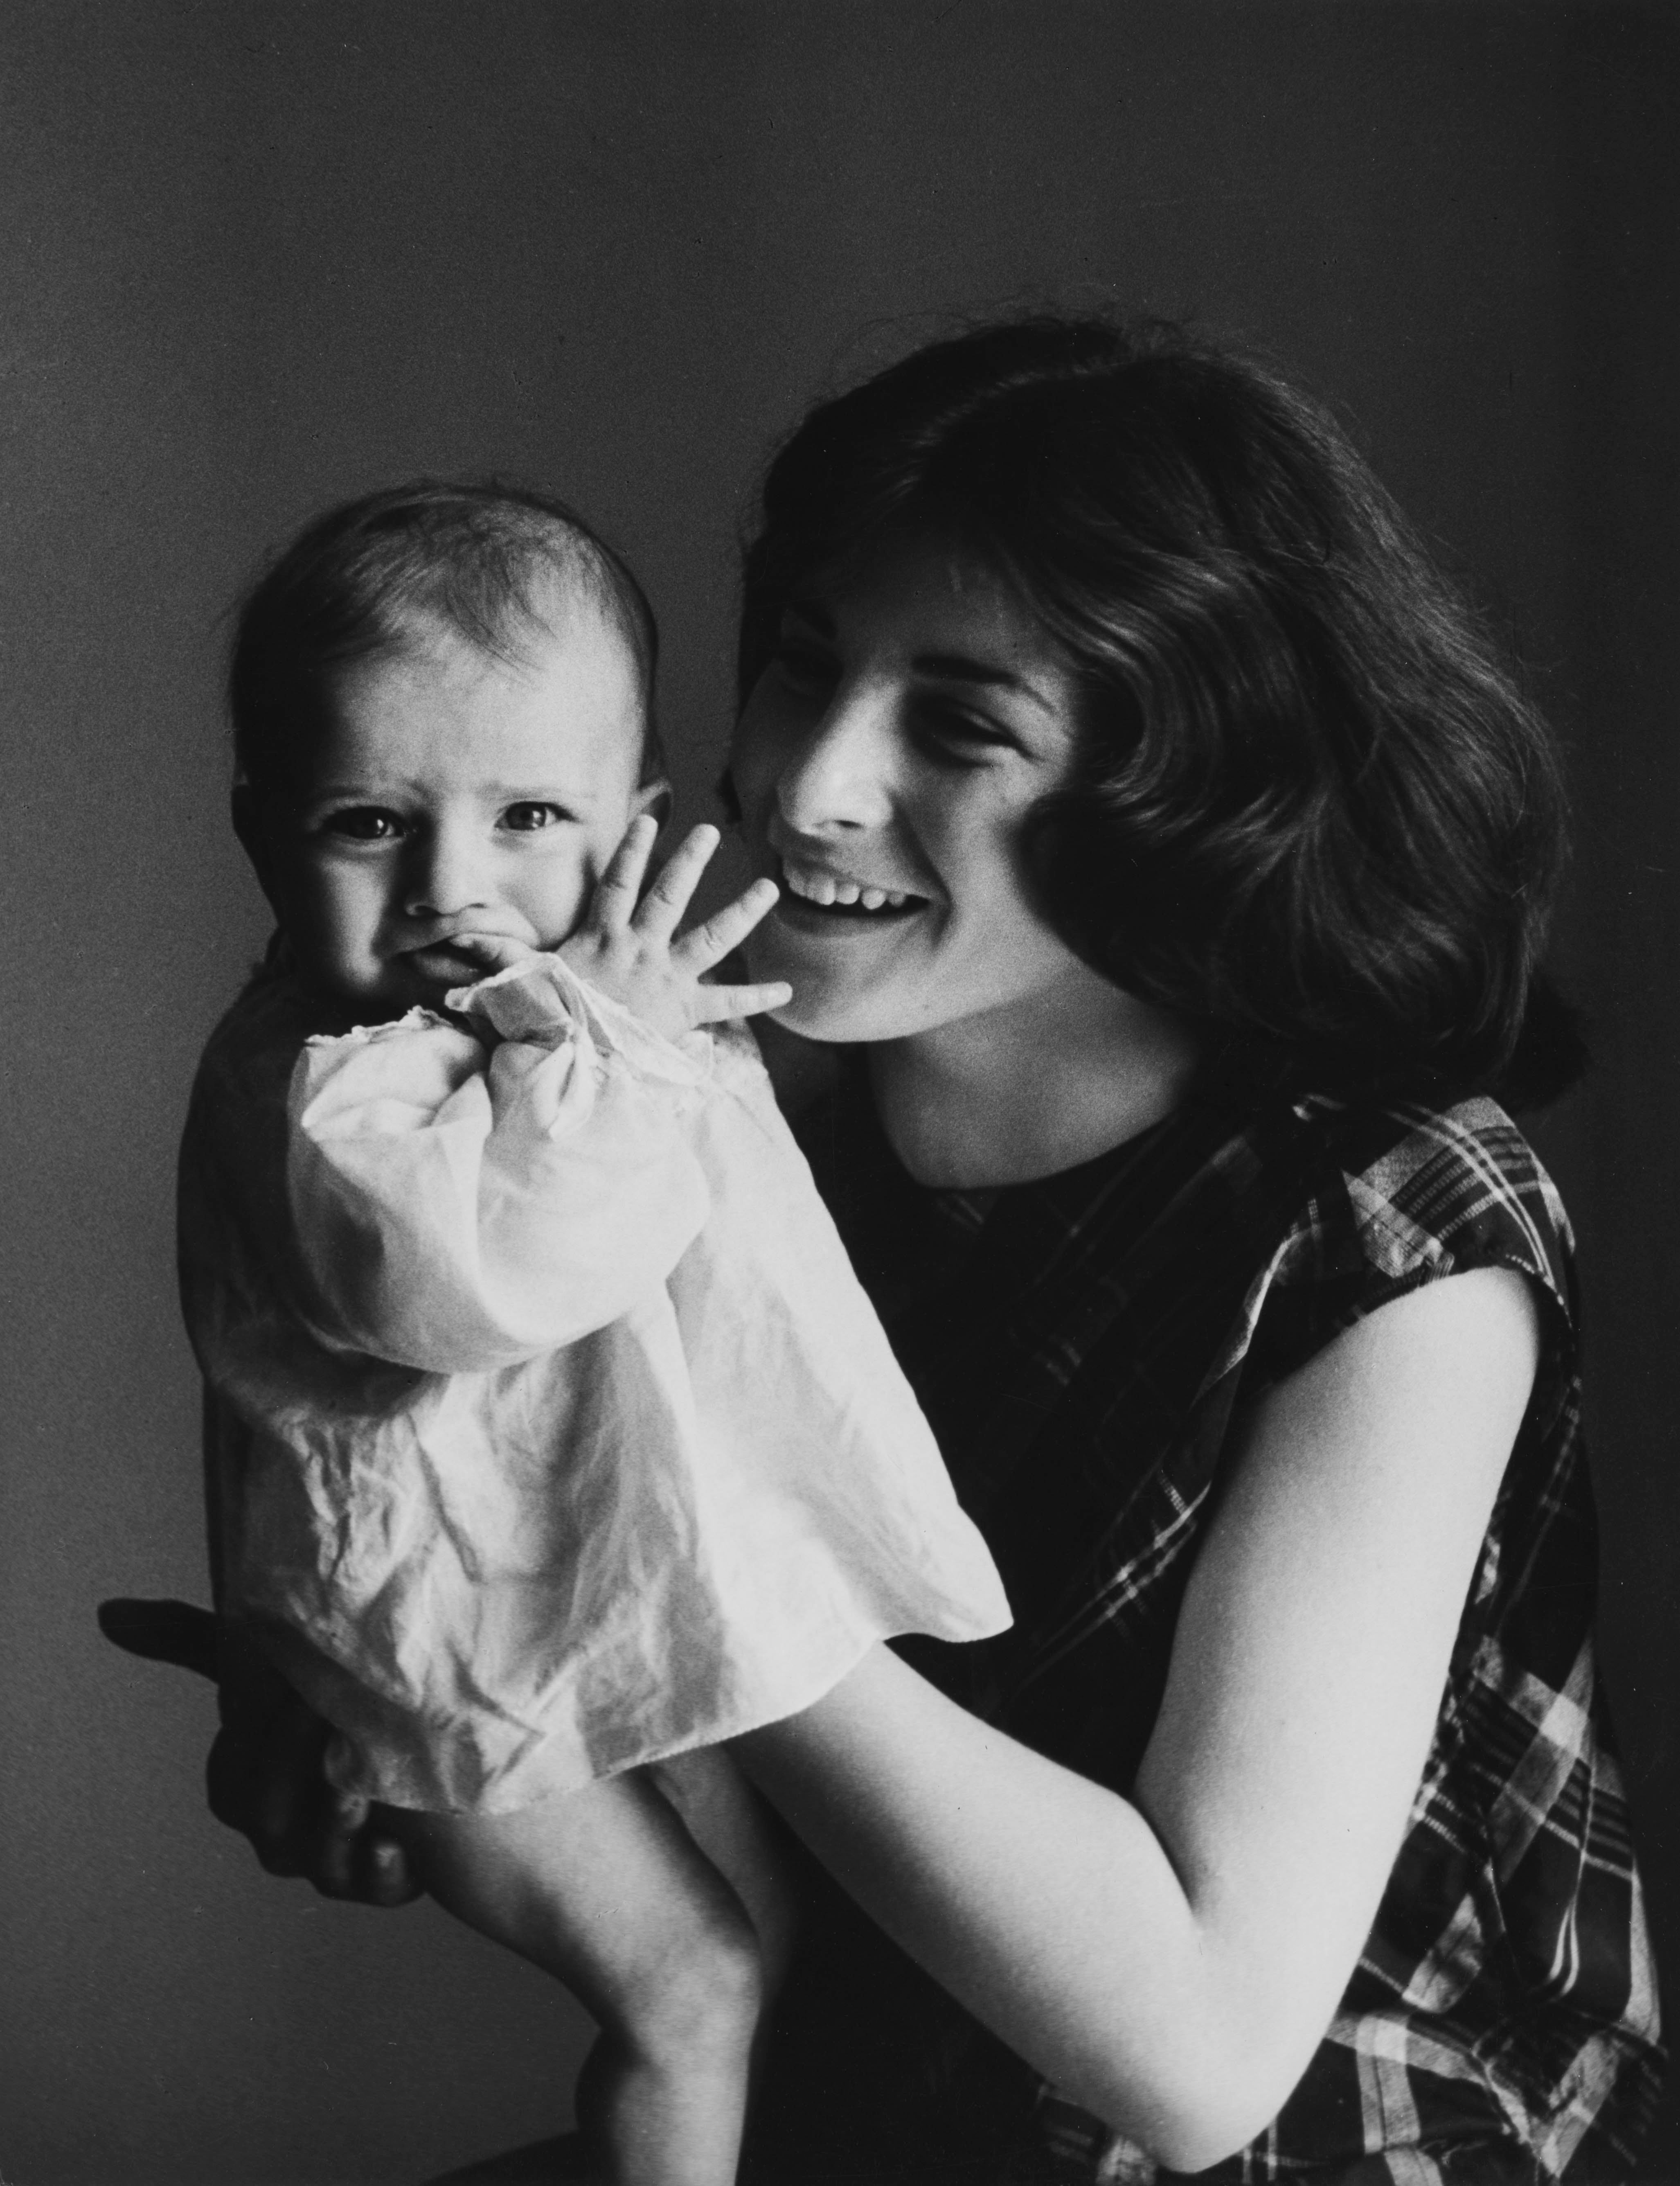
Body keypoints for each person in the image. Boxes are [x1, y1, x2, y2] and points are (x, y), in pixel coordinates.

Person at [110, 321, 1664, 2184]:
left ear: (1182, 781)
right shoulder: (679, 1108)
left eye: (960, 719)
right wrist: (396, 1715)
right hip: (852, 2118)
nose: (810, 783)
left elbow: (1197, 2056)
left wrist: (662, 1577)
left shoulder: (1397, 1234)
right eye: (801, 664)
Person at [142, 481, 1011, 2186]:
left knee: (778, 1965)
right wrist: (600, 1033)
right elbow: (473, 1281)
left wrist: (611, 1024)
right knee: (692, 1985)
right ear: (258, 834)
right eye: (365, 822)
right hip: (436, 1654)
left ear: (633, 826)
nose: (452, 888)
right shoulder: (337, 1085)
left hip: (556, 1609)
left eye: (529, 811)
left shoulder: (557, 1016)